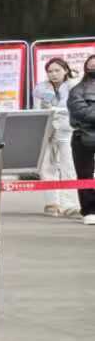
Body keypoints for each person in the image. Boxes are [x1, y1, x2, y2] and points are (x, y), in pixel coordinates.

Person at [34, 58, 78, 218]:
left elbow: (74, 108)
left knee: (69, 166)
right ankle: (52, 202)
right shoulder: (41, 88)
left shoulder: (74, 86)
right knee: (46, 165)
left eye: (57, 70)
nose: (53, 74)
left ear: (65, 70)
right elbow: (37, 109)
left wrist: (55, 109)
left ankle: (71, 205)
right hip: (46, 129)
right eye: (50, 71)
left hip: (68, 130)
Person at [68, 57, 95, 224]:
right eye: (91, 64)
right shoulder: (77, 90)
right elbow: (80, 112)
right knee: (84, 174)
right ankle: (89, 210)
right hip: (83, 136)